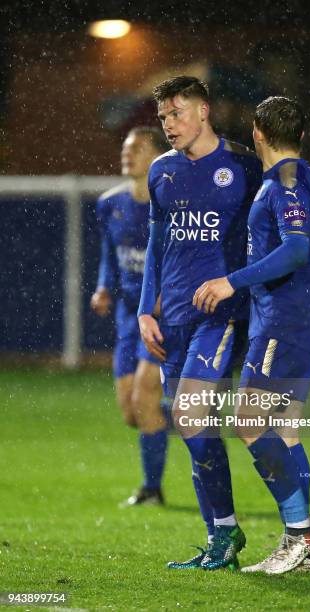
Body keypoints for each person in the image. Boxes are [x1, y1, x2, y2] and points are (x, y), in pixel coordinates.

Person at [138, 77, 310, 570]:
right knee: (200, 426)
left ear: (204, 110)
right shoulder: (161, 172)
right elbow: (156, 245)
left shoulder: (248, 167)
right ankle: (225, 534)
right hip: (178, 318)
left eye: (178, 113)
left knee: (200, 415)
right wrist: (148, 307)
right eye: (163, 116)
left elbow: (294, 222)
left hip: (225, 314)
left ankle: (296, 533)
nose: (169, 124)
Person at [193, 96, 310, 573]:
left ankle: (301, 530)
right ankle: (300, 550)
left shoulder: (288, 179)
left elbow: (294, 250)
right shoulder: (294, 176)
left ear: (257, 132)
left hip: (284, 320)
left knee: (249, 422)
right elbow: (305, 240)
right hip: (295, 317)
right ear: (301, 134)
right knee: (286, 430)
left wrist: (232, 280)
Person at [91, 126, 170, 506]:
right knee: (131, 411)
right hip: (127, 316)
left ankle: (151, 490)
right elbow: (111, 253)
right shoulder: (110, 203)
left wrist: (164, 297)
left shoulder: (172, 206)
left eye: (137, 148)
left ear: (157, 156)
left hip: (161, 316)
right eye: (125, 148)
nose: (127, 154)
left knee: (144, 397)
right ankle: (191, 418)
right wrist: (104, 286)